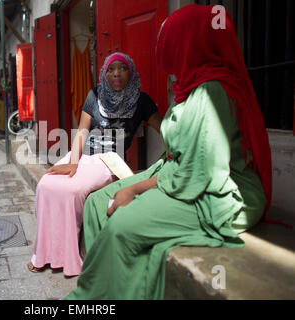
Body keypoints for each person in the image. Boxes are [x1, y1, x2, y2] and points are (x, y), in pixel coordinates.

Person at [65, 4, 272, 300]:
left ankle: (98, 297)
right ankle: (109, 286)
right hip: (177, 172)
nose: (163, 45)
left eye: (169, 37)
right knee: (97, 203)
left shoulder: (210, 91)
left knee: (122, 223)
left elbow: (198, 173)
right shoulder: (188, 86)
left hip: (216, 191)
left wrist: (135, 189)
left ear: (188, 42)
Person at [27, 52, 162, 276]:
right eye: (111, 69)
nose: (116, 73)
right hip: (83, 154)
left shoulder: (142, 100)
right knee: (45, 185)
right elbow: (82, 130)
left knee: (71, 190)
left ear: (131, 71)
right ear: (104, 73)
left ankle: (70, 258)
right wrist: (73, 162)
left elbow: (164, 127)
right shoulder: (95, 95)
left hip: (109, 159)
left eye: (122, 68)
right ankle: (44, 254)